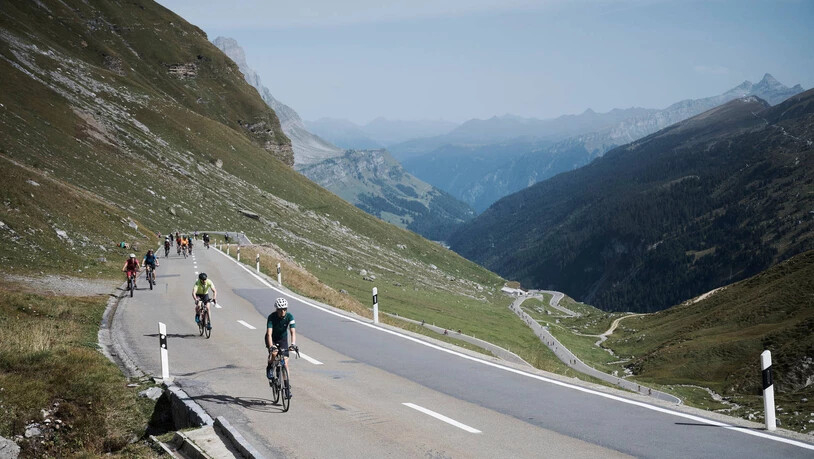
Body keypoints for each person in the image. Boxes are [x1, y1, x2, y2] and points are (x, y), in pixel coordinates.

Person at [266, 297, 296, 399]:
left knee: (285, 363)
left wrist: (293, 344)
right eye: (281, 309)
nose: (283, 311)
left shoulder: (290, 316)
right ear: (277, 310)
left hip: (282, 339)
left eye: (285, 309)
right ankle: (270, 366)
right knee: (274, 354)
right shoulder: (271, 317)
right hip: (272, 339)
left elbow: (292, 331)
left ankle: (287, 389)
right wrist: (271, 346)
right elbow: (269, 333)